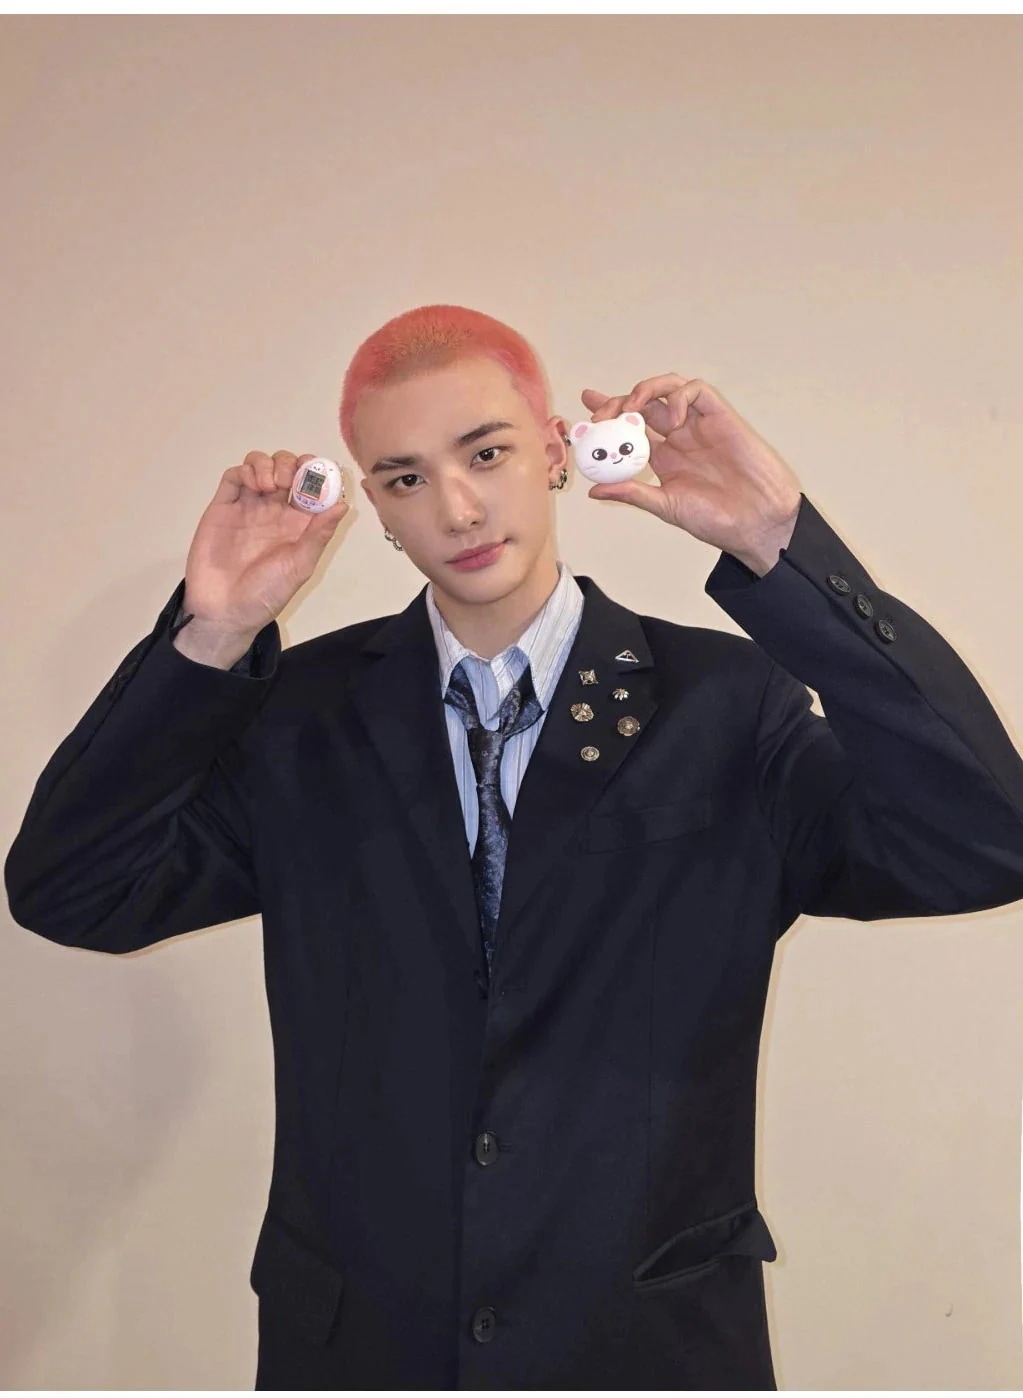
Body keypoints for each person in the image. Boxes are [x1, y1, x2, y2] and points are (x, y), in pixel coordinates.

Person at [6, 303, 1023, 1391]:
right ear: (374, 506)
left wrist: (781, 548)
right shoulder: (300, 719)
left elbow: (981, 841)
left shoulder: (724, 706)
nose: (455, 507)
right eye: (404, 477)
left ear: (554, 448)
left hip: (644, 1348)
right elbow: (74, 891)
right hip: (359, 1349)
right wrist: (211, 632)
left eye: (485, 453)